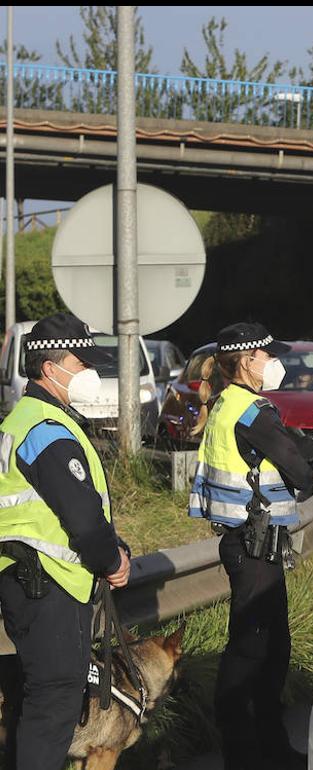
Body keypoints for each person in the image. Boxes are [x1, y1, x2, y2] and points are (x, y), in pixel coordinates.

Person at [0, 312, 130, 770]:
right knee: (53, 705)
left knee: (36, 702)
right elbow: (82, 518)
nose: (89, 371)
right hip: (49, 585)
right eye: (82, 361)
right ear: (51, 368)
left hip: (26, 581)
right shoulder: (48, 432)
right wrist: (112, 559)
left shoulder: (24, 419)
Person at [188, 323, 313, 770]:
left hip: (250, 543)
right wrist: (306, 450)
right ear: (247, 361)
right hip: (252, 544)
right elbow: (300, 471)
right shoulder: (251, 410)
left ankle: (271, 746)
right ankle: (242, 753)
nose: (273, 363)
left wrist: (295, 447)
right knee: (250, 649)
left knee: (274, 646)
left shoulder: (229, 402)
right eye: (267, 355)